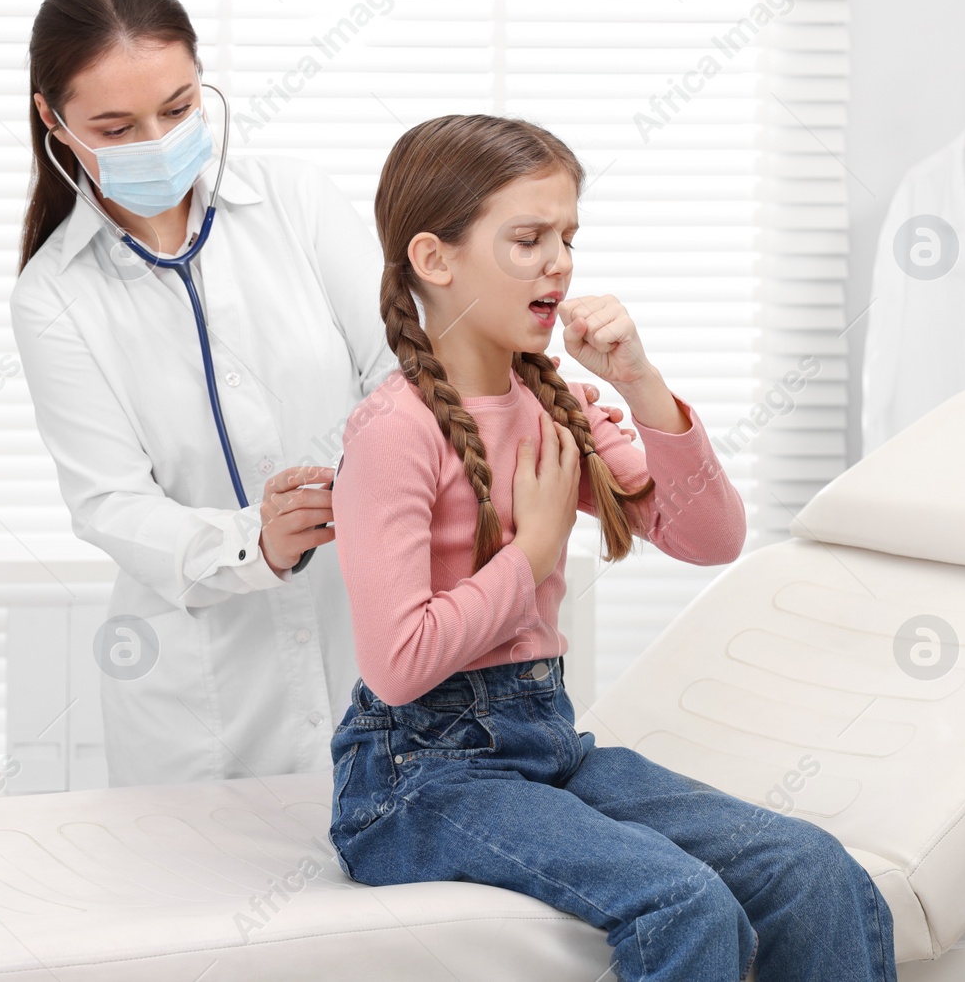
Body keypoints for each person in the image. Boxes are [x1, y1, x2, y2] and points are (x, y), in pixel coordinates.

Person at [6, 0, 644, 787]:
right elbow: (109, 501)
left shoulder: (294, 204)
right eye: (116, 127)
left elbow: (406, 360)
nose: (158, 143)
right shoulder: (53, 296)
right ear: (54, 121)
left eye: (177, 108)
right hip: (202, 702)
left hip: (376, 647)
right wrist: (254, 543)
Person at [327, 114, 897, 980]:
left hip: (544, 746)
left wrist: (639, 381)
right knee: (683, 900)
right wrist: (536, 548)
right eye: (528, 238)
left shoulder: (556, 408)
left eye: (567, 236)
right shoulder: (392, 432)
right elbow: (399, 665)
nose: (559, 260)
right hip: (414, 781)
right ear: (434, 260)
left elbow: (712, 538)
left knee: (809, 867)